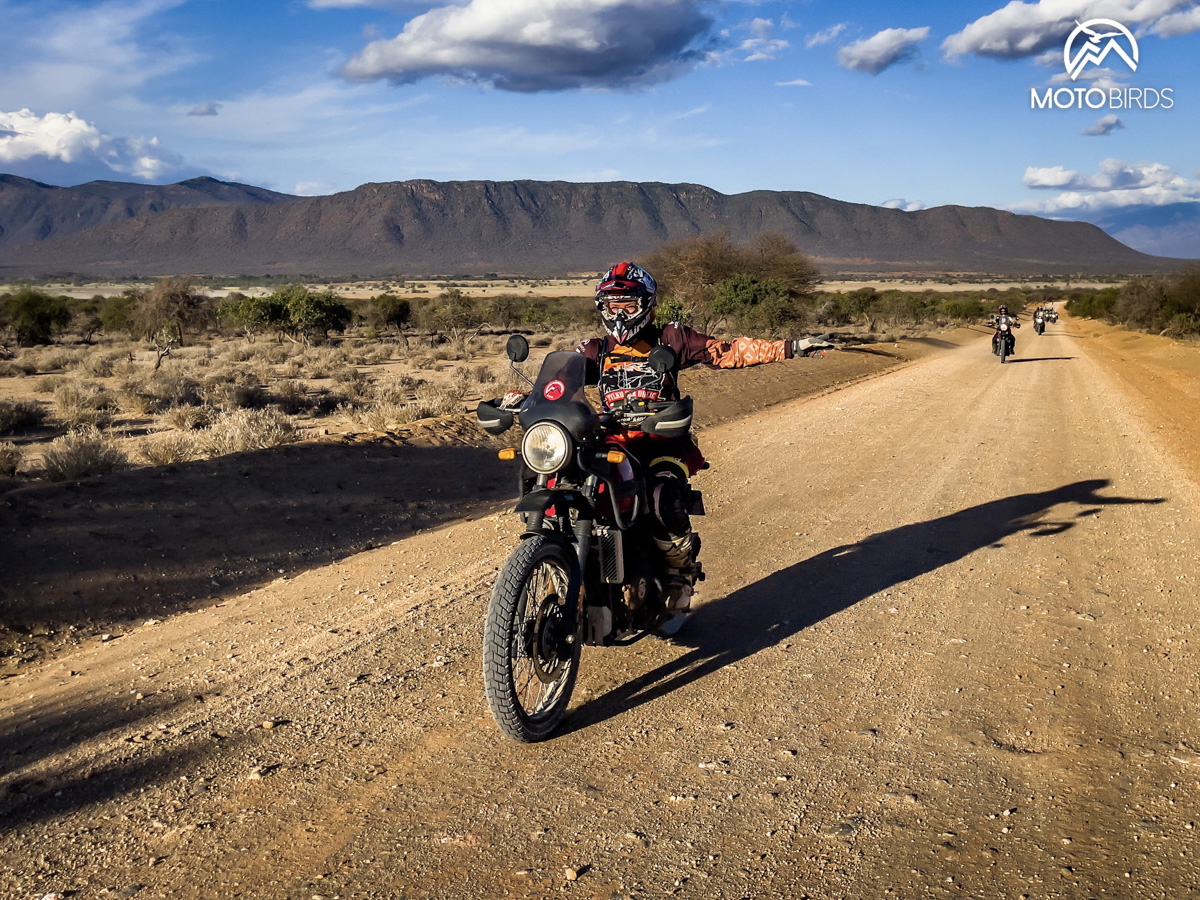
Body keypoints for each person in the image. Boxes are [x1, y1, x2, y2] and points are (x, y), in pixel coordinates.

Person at [572, 261, 833, 612]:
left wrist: (791, 347)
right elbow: (562, 382)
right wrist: (525, 398)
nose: (620, 313)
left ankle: (680, 571)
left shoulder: (671, 338)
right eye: (612, 305)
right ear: (602, 308)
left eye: (628, 305)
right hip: (614, 441)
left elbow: (726, 352)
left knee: (662, 494)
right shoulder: (595, 349)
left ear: (646, 306)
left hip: (662, 438)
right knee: (574, 483)